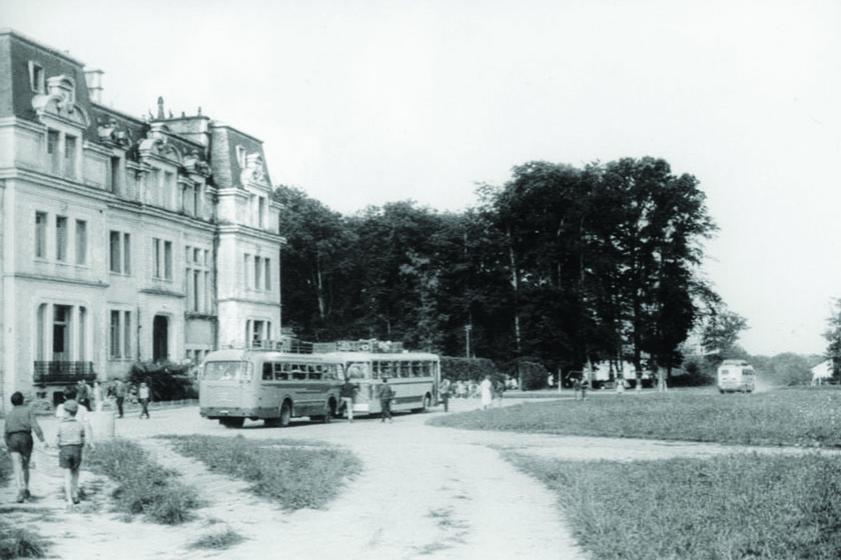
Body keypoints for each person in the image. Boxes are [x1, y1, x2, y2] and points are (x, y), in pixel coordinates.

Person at [3, 392, 47, 503]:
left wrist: (8, 444)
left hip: (13, 439)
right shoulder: (28, 411)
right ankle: (26, 488)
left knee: (16, 466)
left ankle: (19, 490)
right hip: (25, 438)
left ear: (12, 402)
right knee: (25, 465)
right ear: (22, 400)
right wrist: (42, 440)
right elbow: (35, 426)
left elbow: (6, 432)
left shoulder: (9, 414)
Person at [56, 399, 92, 509]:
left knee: (67, 476)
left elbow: (57, 441)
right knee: (75, 474)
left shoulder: (61, 425)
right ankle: (75, 494)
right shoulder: (80, 425)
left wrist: (60, 446)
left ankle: (69, 500)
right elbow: (83, 440)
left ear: (66, 412)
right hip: (76, 450)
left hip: (65, 450)